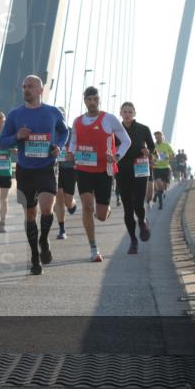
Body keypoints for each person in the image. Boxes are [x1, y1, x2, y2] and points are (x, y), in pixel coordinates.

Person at [0, 75, 69, 275]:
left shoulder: (52, 112)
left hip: (46, 167)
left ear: (40, 90)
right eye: (24, 87)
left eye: (30, 86)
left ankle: (44, 240)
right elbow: (3, 142)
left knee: (47, 208)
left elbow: (64, 133)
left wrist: (59, 147)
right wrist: (17, 136)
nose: (26, 90)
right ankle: (35, 257)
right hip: (25, 170)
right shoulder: (14, 115)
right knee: (30, 214)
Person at [70, 87, 131, 262]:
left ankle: (105, 210)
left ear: (99, 100)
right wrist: (70, 152)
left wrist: (117, 156)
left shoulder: (109, 119)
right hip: (83, 169)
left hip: (104, 171)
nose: (92, 102)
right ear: (85, 101)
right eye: (89, 99)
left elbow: (126, 140)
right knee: (87, 206)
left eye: (95, 99)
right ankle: (94, 248)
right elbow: (74, 142)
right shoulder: (77, 121)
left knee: (101, 215)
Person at [116, 102, 156, 255]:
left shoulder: (143, 129)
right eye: (124, 111)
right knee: (127, 206)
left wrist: (149, 153)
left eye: (130, 111)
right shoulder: (115, 130)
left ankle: (143, 221)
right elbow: (109, 147)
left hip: (140, 168)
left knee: (138, 202)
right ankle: (133, 241)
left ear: (134, 113)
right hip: (122, 170)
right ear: (120, 113)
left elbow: (153, 148)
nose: (127, 114)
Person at [54, 108, 77, 240]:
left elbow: (81, 149)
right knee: (59, 197)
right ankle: (62, 229)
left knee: (67, 200)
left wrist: (73, 157)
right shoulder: (50, 131)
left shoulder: (72, 132)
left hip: (69, 168)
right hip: (56, 168)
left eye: (61, 115)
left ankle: (72, 204)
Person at [151, 131, 175, 210]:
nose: (158, 138)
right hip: (156, 167)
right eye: (156, 137)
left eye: (159, 136)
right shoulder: (153, 145)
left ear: (162, 137)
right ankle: (160, 204)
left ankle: (157, 195)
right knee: (159, 185)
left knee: (164, 187)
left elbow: (173, 154)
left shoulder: (166, 145)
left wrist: (169, 158)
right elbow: (149, 155)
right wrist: (152, 160)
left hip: (165, 167)